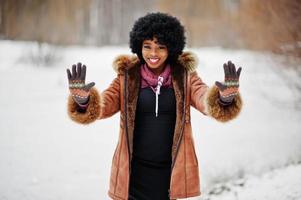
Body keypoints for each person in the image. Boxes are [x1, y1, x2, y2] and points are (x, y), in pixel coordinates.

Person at [66, 12, 242, 200]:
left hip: (169, 175)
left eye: (160, 47)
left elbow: (203, 98)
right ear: (138, 46)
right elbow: (103, 106)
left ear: (171, 49)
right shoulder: (127, 77)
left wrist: (223, 99)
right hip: (133, 175)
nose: (153, 54)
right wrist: (84, 101)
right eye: (147, 47)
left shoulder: (184, 76)